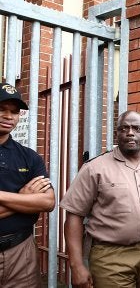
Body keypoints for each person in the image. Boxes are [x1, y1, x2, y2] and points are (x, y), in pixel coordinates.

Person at [61, 111, 140, 287]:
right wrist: (76, 264)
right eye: (124, 128)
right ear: (116, 133)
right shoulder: (95, 168)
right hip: (110, 256)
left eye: (137, 128)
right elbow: (74, 215)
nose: (130, 132)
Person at [0, 82, 55, 287]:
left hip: (20, 253)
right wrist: (24, 198)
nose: (8, 116)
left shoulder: (29, 157)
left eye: (14, 112)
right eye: (2, 109)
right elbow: (36, 202)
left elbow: (48, 202)